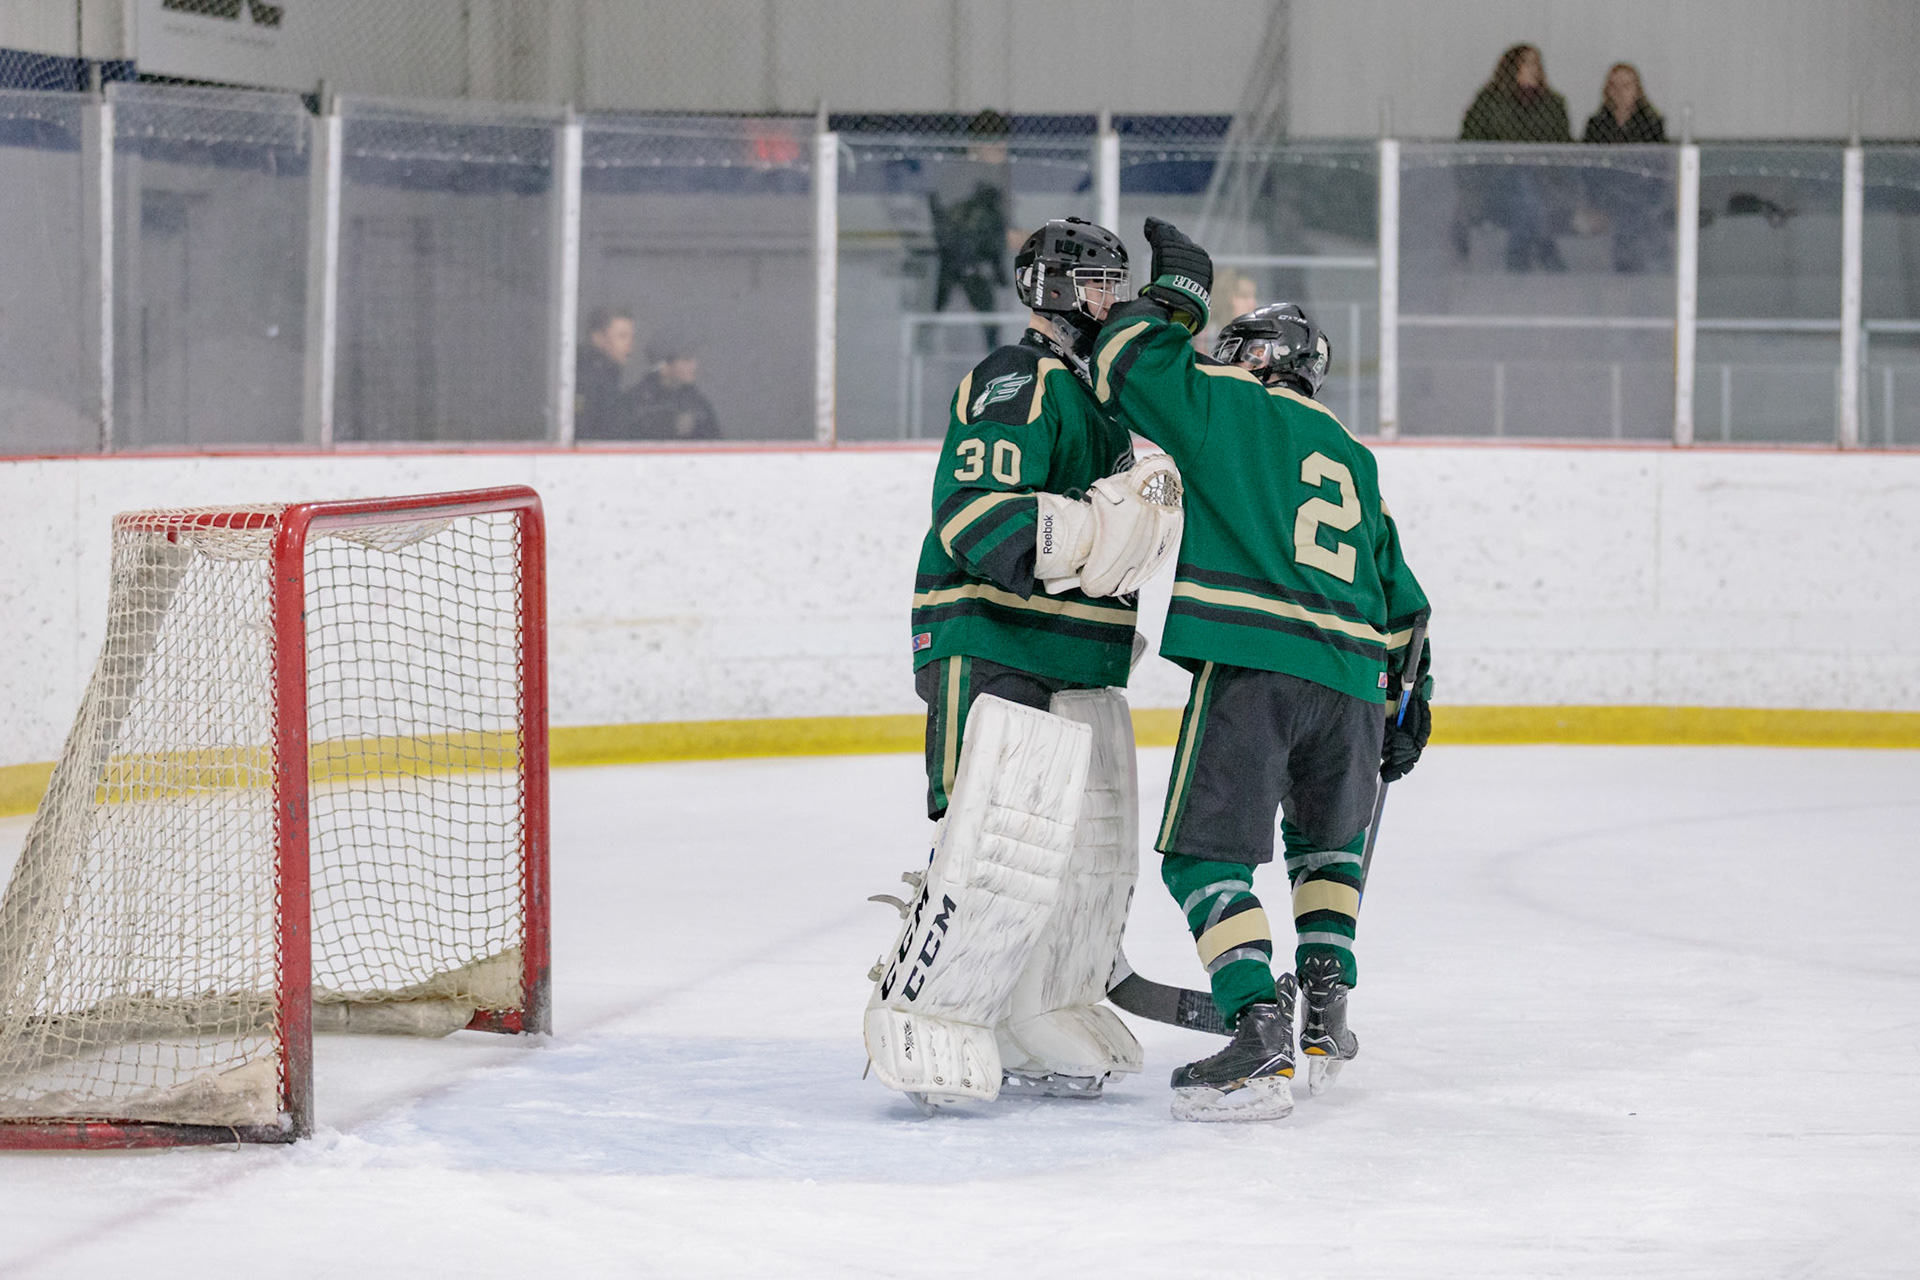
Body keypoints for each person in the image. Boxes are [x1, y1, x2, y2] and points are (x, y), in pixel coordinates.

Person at [1091, 220, 1433, 1123]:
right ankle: (1325, 1005)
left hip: (1256, 666)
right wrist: (1409, 708)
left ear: (1260, 357)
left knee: (1204, 856)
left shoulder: (1232, 405)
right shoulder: (1355, 458)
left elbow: (1126, 360)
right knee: (1328, 849)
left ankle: (1255, 1027)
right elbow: (1407, 606)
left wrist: (1179, 293)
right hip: (1355, 682)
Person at [864, 217, 1185, 1110]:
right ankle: (932, 1009)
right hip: (992, 637)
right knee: (993, 846)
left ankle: (1038, 1009)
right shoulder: (1019, 376)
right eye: (1095, 282)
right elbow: (977, 517)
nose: (1109, 299)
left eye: (1117, 283)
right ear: (1049, 289)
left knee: (1080, 856)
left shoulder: (1105, 398)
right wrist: (1088, 530)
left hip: (1070, 651)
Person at [1458, 43, 1573, 271]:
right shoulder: (1488, 103)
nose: (1533, 69)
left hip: (1544, 185)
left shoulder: (1554, 105)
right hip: (1497, 186)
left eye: (1536, 63)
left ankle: (1518, 259)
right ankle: (1543, 246)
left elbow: (1564, 151)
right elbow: (1469, 148)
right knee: (1522, 180)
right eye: (1526, 63)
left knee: (1528, 189)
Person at [929, 109, 1016, 350]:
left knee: (992, 336)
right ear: (978, 144)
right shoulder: (960, 176)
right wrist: (1001, 236)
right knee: (961, 340)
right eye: (996, 145)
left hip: (988, 269)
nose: (1003, 150)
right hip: (961, 269)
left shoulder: (1000, 173)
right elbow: (953, 226)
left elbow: (1002, 219)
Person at [1582, 63, 1669, 274]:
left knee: (1632, 202)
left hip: (1642, 192)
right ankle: (1638, 257)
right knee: (1625, 201)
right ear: (1607, 90)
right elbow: (1588, 168)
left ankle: (1629, 261)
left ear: (1637, 90)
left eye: (1626, 85)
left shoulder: (1651, 124)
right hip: (1607, 193)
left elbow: (1658, 166)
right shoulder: (1596, 124)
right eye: (1614, 86)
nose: (1620, 92)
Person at [630, 333, 720, 441]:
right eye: (686, 359)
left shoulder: (698, 404)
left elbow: (716, 445)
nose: (694, 365)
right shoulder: (635, 403)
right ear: (663, 367)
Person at [575, 307, 635, 439]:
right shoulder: (586, 380)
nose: (630, 344)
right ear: (598, 338)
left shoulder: (608, 377)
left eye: (632, 337)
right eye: (622, 336)